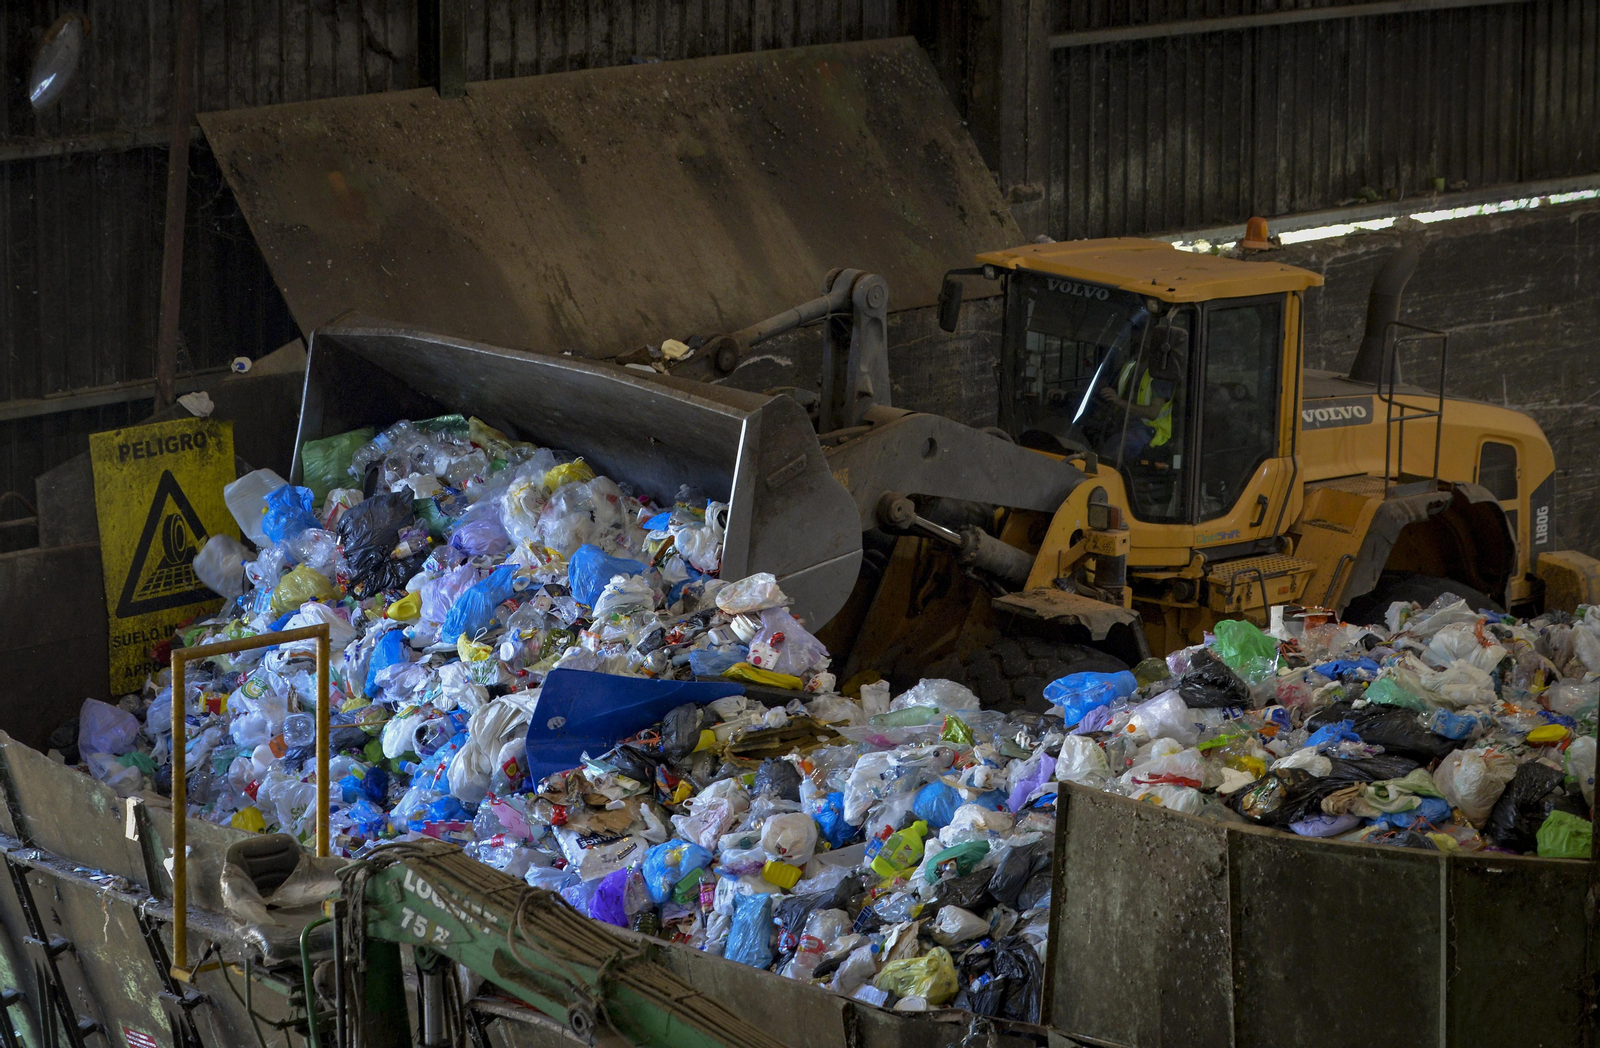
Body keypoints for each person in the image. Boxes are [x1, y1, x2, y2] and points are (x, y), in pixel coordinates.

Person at [1097, 325, 1187, 462]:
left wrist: (1119, 402)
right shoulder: (1131, 366)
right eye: (1134, 337)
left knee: (1115, 447)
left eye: (1140, 338)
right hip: (1124, 423)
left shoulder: (1161, 374)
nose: (1135, 341)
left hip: (1149, 430)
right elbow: (1106, 389)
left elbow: (1152, 413)